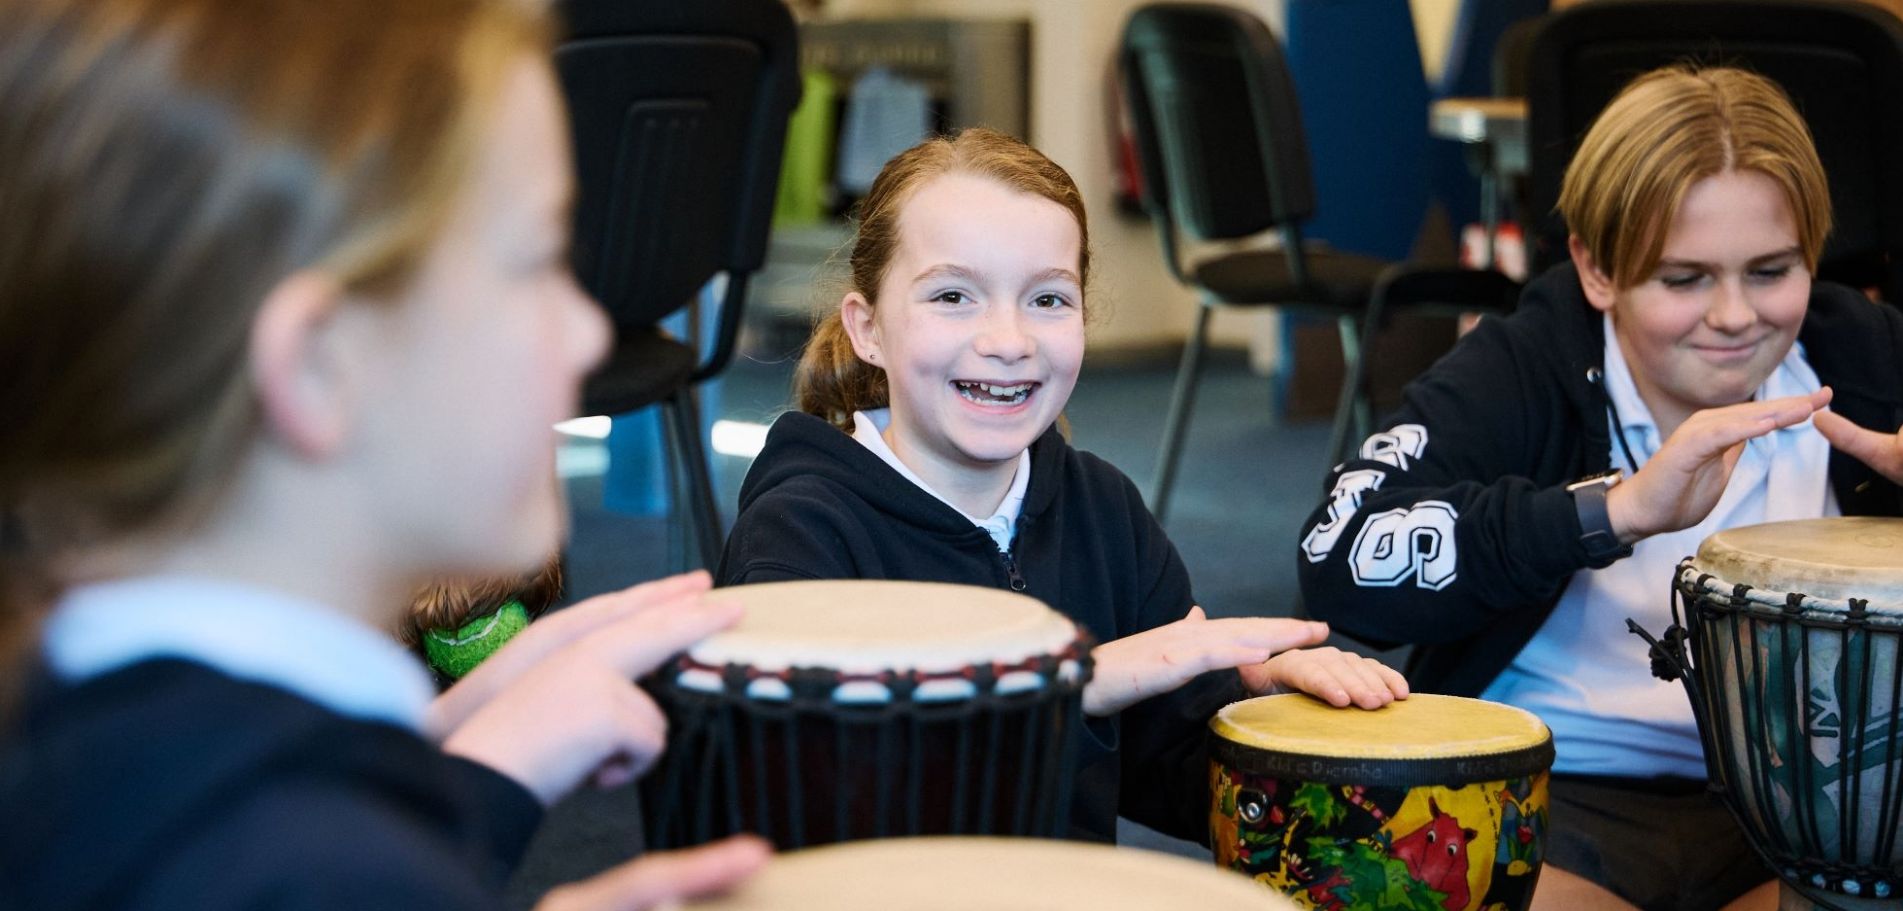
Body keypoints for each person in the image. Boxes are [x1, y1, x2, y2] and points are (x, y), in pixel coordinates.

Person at [0, 1, 765, 908]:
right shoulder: (332, 871)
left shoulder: (81, 739)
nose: (591, 332)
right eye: (536, 263)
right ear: (321, 364)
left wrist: (463, 762)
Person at [1295, 65, 1903, 911]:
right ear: (1596, 268)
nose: (1734, 315)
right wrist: (1610, 512)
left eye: (1771, 271)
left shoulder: (1863, 356)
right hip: (1551, 787)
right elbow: (1336, 558)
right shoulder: (1522, 366)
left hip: (1815, 805)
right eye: (1683, 278)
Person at [717, 127, 1410, 846]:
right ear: (868, 330)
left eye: (1048, 299)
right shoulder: (802, 533)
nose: (1009, 341)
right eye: (953, 295)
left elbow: (1170, 765)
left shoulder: (1101, 507)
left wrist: (1270, 730)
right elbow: (802, 808)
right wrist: (1070, 690)